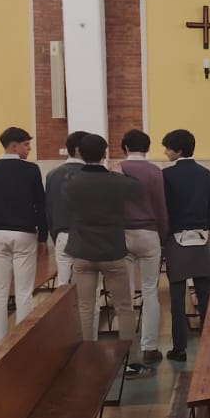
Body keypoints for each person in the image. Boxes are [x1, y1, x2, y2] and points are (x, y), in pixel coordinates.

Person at [64, 133, 150, 375]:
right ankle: (130, 360)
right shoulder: (117, 181)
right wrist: (120, 173)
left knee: (85, 306)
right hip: (112, 251)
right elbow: (138, 190)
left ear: (80, 153)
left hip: (82, 251)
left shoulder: (71, 181)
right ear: (104, 154)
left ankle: (86, 356)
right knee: (124, 306)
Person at [0, 127, 47, 342]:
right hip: (24, 233)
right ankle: (22, 340)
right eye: (26, 145)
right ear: (14, 146)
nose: (29, 148)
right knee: (24, 292)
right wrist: (43, 236)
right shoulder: (31, 170)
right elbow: (41, 205)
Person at [160, 129, 210, 362]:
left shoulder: (166, 175)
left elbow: (164, 208)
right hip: (201, 236)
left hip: (176, 238)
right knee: (205, 294)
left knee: (177, 295)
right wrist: (205, 227)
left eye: (168, 148)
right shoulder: (205, 173)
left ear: (178, 150)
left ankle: (179, 348)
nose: (165, 152)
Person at [119, 130, 169, 364]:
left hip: (122, 233)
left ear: (125, 148)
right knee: (150, 291)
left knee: (126, 293)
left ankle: (126, 346)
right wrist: (163, 235)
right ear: (147, 148)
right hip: (149, 233)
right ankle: (149, 347)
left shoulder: (116, 169)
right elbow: (161, 207)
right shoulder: (155, 172)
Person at [44, 130, 88, 288]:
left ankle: (64, 305)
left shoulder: (52, 175)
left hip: (62, 234)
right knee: (88, 285)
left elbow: (48, 208)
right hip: (87, 235)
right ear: (78, 149)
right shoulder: (92, 174)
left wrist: (54, 234)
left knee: (63, 284)